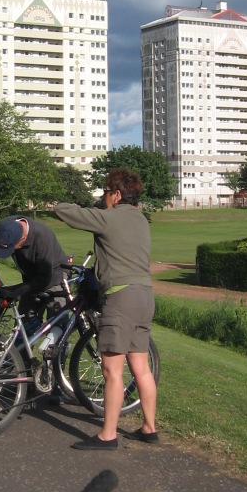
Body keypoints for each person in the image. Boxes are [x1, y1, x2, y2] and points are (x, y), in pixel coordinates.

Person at [55, 167, 158, 450]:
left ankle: (108, 435)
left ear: (115, 194)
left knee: (112, 370)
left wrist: (80, 204)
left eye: (105, 193)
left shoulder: (108, 218)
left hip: (121, 298)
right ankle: (149, 428)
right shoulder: (141, 220)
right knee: (141, 367)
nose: (103, 198)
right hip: (145, 296)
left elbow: (65, 211)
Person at [0, 214, 69, 322]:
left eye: (12, 248)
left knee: (57, 325)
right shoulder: (4, 228)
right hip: (30, 278)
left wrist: (15, 292)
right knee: (23, 326)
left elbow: (44, 278)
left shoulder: (42, 237)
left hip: (54, 277)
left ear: (23, 238)